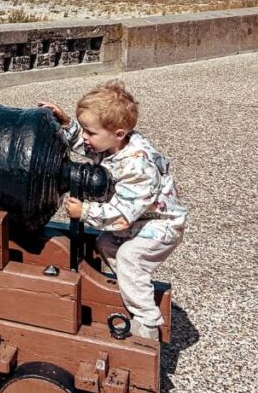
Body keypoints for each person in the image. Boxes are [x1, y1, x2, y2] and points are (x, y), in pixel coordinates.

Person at [38, 81, 187, 340]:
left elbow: (121, 214)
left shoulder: (138, 167)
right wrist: (66, 123)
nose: (86, 136)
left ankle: (147, 321)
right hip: (141, 220)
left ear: (118, 133)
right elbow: (85, 145)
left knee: (129, 257)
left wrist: (86, 212)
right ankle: (131, 286)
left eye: (90, 131)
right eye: (84, 129)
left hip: (161, 225)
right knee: (105, 243)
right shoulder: (111, 144)